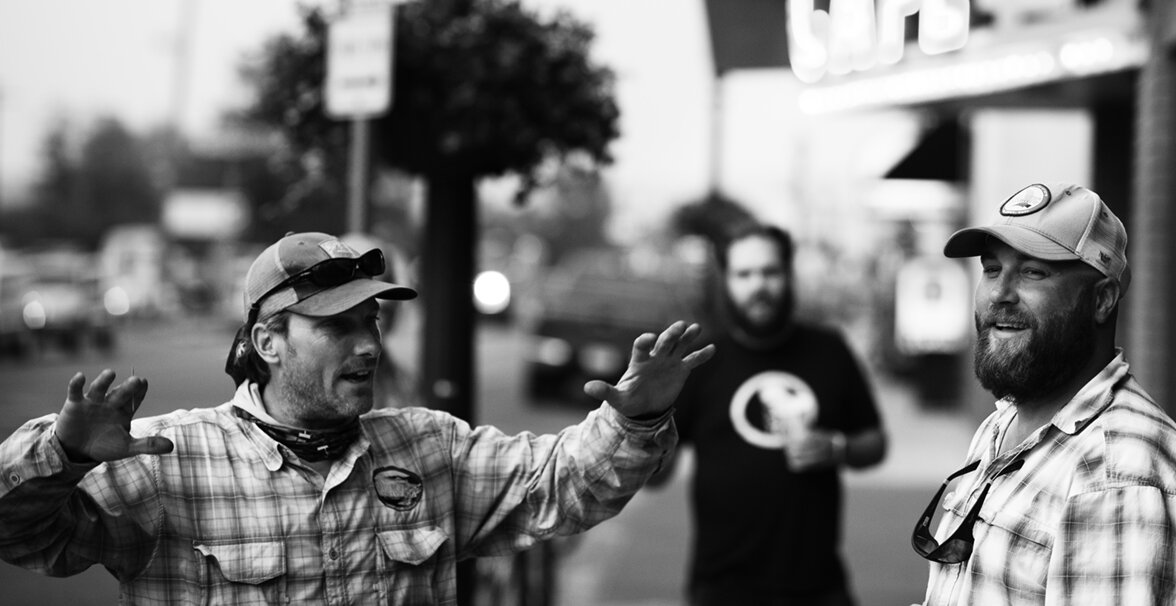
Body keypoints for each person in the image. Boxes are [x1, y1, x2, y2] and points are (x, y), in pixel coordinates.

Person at [0, 231, 714, 604]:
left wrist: (635, 421)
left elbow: (561, 483)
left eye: (371, 322)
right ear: (267, 342)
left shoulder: (431, 448)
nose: (370, 345)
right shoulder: (166, 461)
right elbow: (22, 538)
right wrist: (63, 455)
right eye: (337, 327)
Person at [912, 182, 1176, 605]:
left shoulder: (1121, 477)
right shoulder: (1004, 422)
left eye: (1033, 272)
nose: (1000, 294)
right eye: (991, 269)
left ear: (1102, 300)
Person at [655, 222, 889, 606]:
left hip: (819, 586)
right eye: (744, 274)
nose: (758, 285)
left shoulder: (829, 350)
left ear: (788, 274)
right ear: (726, 280)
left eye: (769, 272)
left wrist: (836, 447)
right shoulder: (701, 360)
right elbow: (657, 478)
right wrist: (645, 419)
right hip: (721, 588)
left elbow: (874, 442)